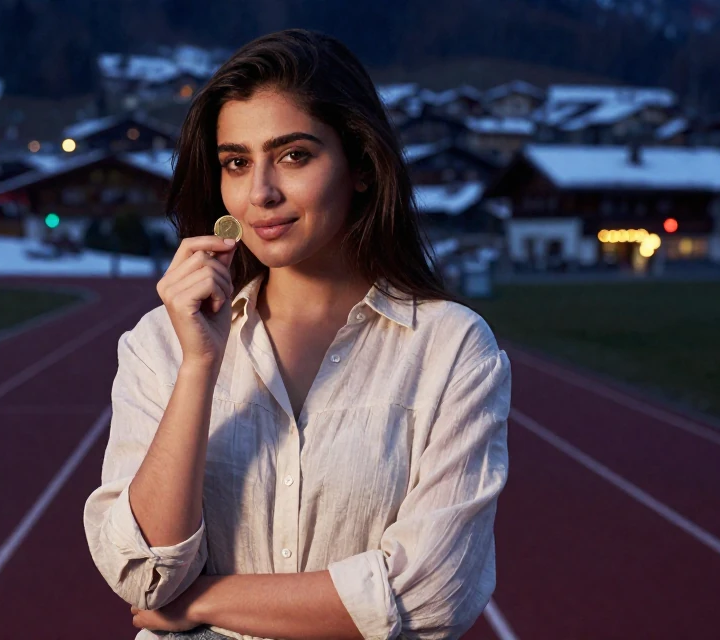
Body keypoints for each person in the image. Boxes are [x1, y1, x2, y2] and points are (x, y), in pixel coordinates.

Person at [83, 29, 511, 640]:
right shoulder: (161, 344)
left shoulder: (448, 347)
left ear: (360, 166)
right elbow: (145, 577)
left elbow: (433, 595)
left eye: (294, 156)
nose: (260, 193)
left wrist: (202, 601)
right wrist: (199, 366)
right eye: (237, 163)